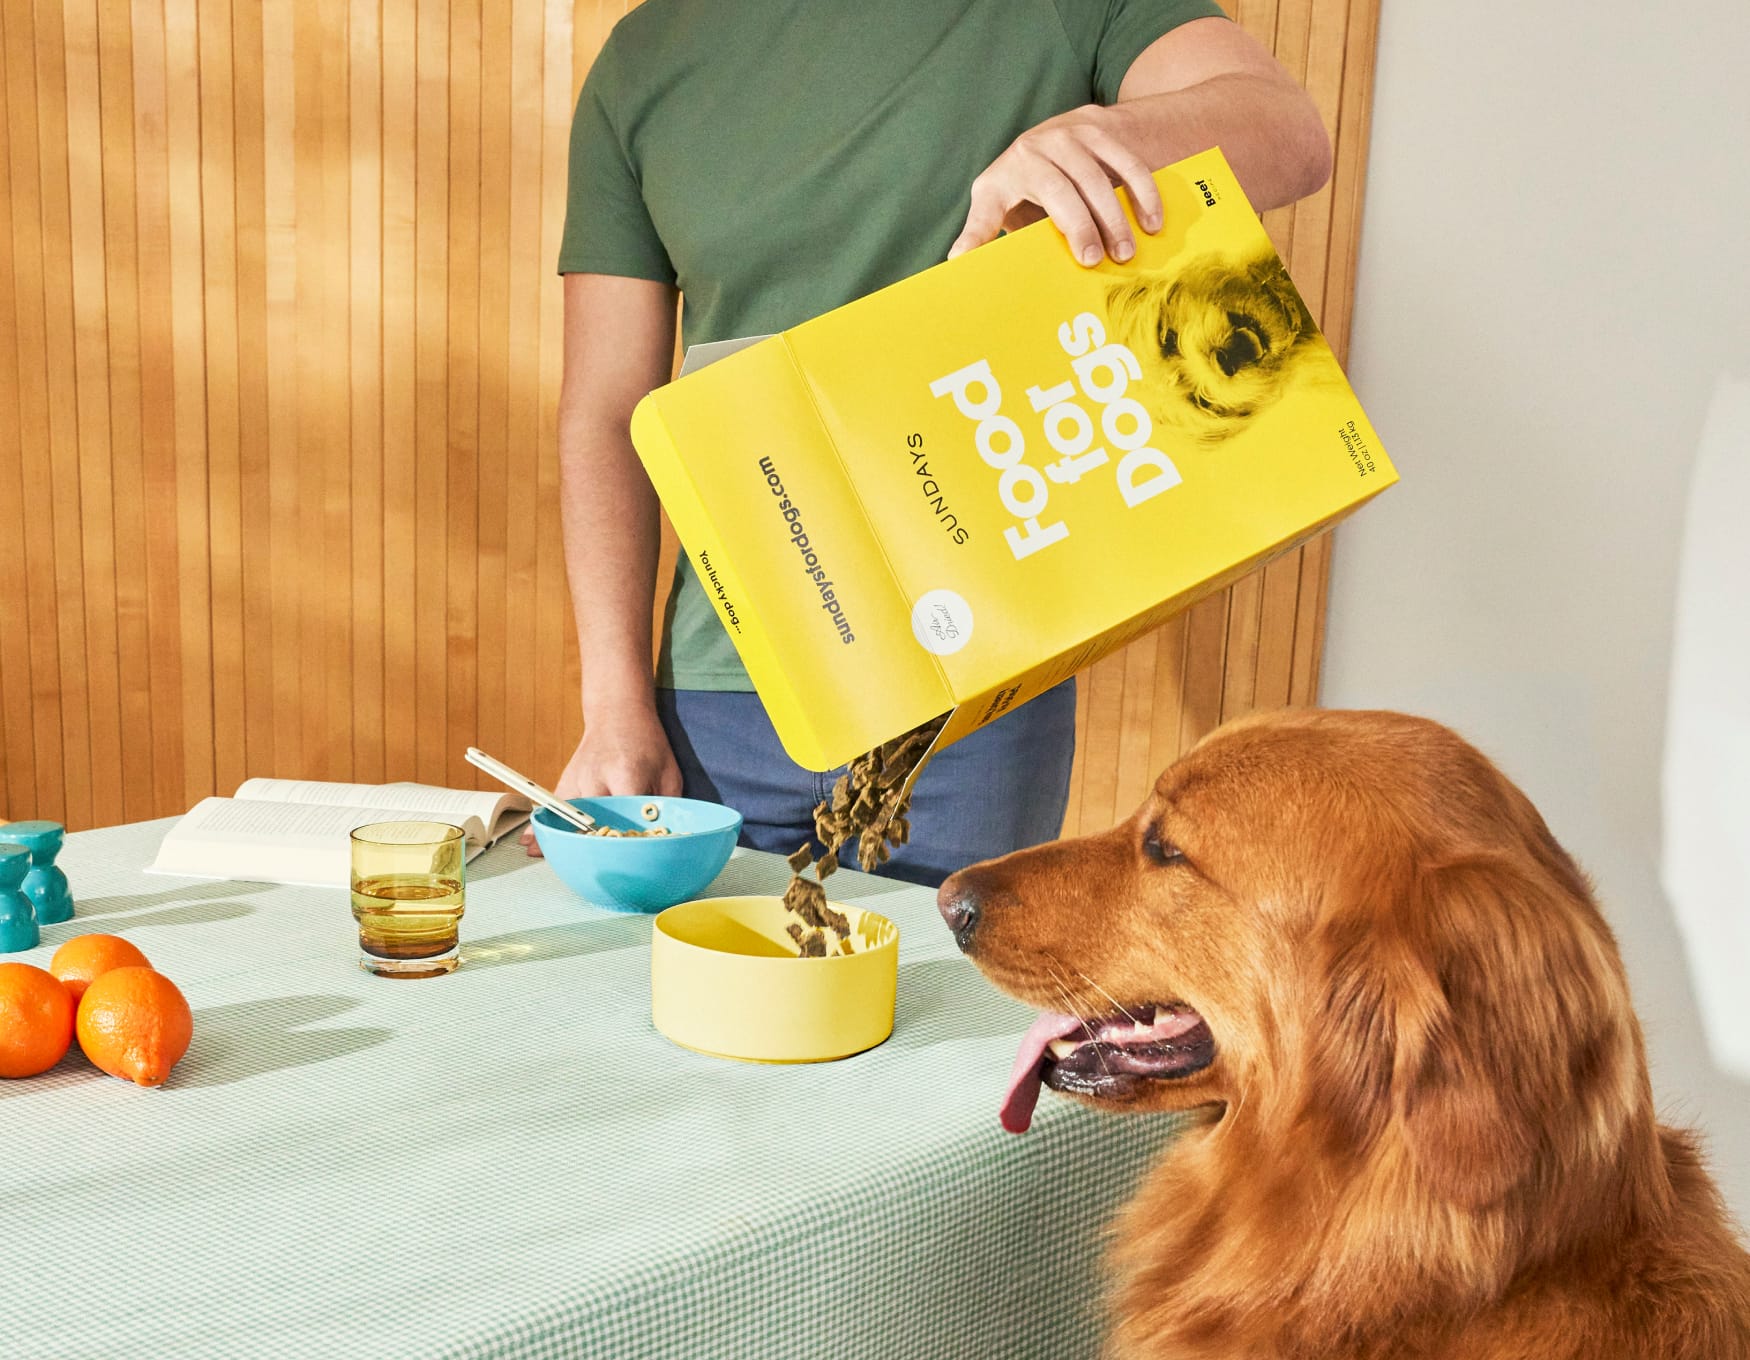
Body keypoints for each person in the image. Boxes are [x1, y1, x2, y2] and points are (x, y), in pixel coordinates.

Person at [526, 0, 1332, 886]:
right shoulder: (645, 57)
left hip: (974, 686)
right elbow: (608, 408)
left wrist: (1103, 137)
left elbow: (1289, 133)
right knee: (706, 1014)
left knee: (952, 1016)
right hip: (725, 686)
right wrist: (613, 708)